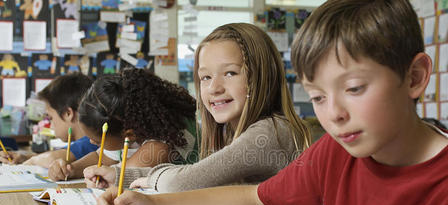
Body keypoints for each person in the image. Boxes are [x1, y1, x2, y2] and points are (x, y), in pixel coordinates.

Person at [94, 1, 448, 205]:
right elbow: (254, 196)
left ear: (416, 77)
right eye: (318, 98)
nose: (335, 114)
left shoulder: (443, 187)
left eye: (354, 88)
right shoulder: (335, 152)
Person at [83, 23, 311, 193]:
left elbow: (180, 182)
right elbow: (197, 171)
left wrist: (131, 176)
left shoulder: (269, 132)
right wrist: (118, 175)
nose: (214, 88)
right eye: (205, 77)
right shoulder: (228, 131)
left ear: (261, 77)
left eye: (230, 73)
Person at [48, 67, 198, 181]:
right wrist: (70, 169)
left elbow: (120, 175)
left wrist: (100, 176)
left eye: (98, 140)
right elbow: (101, 157)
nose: (91, 142)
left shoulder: (161, 146)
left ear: (129, 134)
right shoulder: (132, 124)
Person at [0, 73, 98, 167]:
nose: (50, 125)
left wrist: (32, 161)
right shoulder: (81, 145)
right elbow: (56, 153)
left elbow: (52, 158)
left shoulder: (92, 142)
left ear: (68, 114)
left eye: (50, 118)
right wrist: (24, 157)